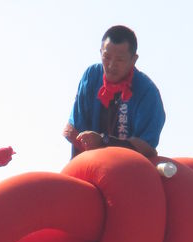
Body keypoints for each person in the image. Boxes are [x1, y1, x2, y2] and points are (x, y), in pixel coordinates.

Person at [64, 25, 165, 158]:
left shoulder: (147, 91)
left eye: (120, 60)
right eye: (106, 57)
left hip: (129, 169)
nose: (111, 65)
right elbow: (75, 131)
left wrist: (104, 142)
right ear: (100, 53)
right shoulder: (92, 76)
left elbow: (147, 147)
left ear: (134, 60)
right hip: (87, 163)